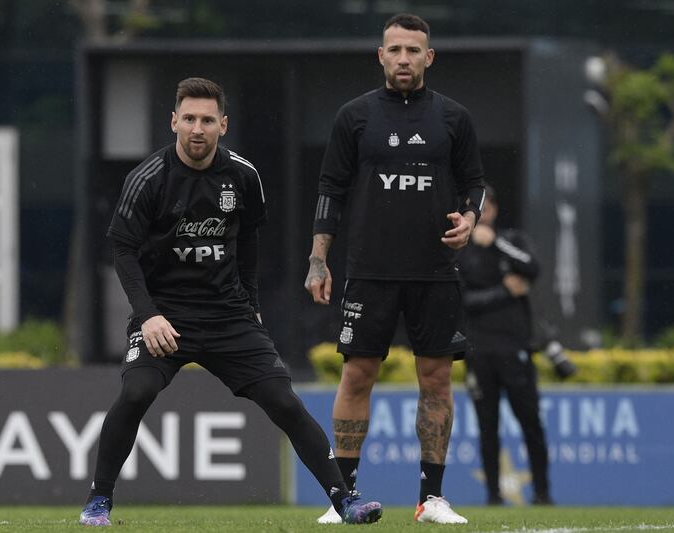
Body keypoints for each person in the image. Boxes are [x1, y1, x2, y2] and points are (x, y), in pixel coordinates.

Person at [78, 77, 382, 526]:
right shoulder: (148, 179)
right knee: (137, 391)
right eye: (188, 119)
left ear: (223, 125)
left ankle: (345, 498)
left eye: (206, 120)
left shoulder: (243, 175)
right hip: (165, 317)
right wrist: (148, 315)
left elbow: (248, 244)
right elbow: (122, 251)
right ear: (173, 122)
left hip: (228, 317)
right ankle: (98, 501)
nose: (196, 129)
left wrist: (251, 304)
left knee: (284, 401)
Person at [304, 14, 485, 525]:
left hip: (435, 271)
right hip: (370, 270)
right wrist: (319, 260)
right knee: (357, 375)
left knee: (436, 380)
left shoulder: (455, 118)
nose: (403, 58)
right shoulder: (354, 116)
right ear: (380, 56)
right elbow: (330, 191)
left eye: (413, 50)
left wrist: (469, 220)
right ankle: (345, 497)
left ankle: (432, 498)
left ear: (429, 57)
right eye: (395, 49)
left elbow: (475, 183)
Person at [455, 186, 553, 506]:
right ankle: (493, 496)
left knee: (530, 421)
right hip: (479, 351)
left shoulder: (513, 240)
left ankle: (542, 493)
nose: (482, 213)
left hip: (516, 348)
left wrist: (495, 242)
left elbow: (533, 267)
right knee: (487, 425)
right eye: (474, 208)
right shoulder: (461, 250)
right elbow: (462, 301)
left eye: (486, 206)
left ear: (495, 209)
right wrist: (504, 292)